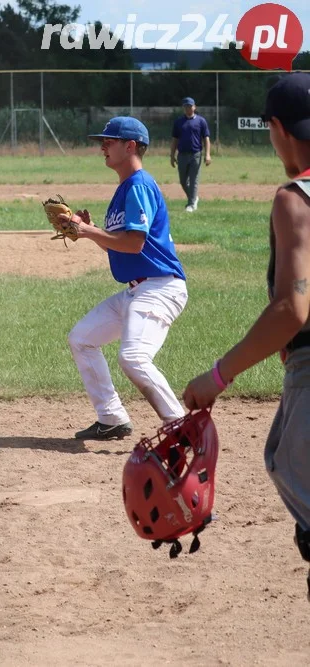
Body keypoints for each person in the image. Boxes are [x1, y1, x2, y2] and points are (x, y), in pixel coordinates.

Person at [183, 73, 310, 594]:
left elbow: (291, 308)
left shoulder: (295, 196)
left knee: (288, 466)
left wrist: (219, 374)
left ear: (276, 127)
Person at [61, 116, 189, 440]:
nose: (102, 146)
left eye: (109, 141)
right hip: (137, 290)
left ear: (130, 146)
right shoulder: (123, 190)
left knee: (132, 356)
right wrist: (91, 232)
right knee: (82, 338)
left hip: (160, 287)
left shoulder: (139, 185)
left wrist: (90, 232)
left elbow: (135, 244)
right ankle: (112, 417)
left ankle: (184, 429)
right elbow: (123, 250)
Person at [170, 97, 212, 213]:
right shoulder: (178, 122)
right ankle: (194, 198)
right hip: (182, 155)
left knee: (194, 180)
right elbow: (174, 140)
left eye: (190, 106)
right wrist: (172, 155)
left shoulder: (201, 121)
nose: (188, 108)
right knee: (183, 181)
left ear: (194, 107)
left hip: (196, 155)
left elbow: (206, 139)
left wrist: (207, 154)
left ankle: (191, 204)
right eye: (185, 106)